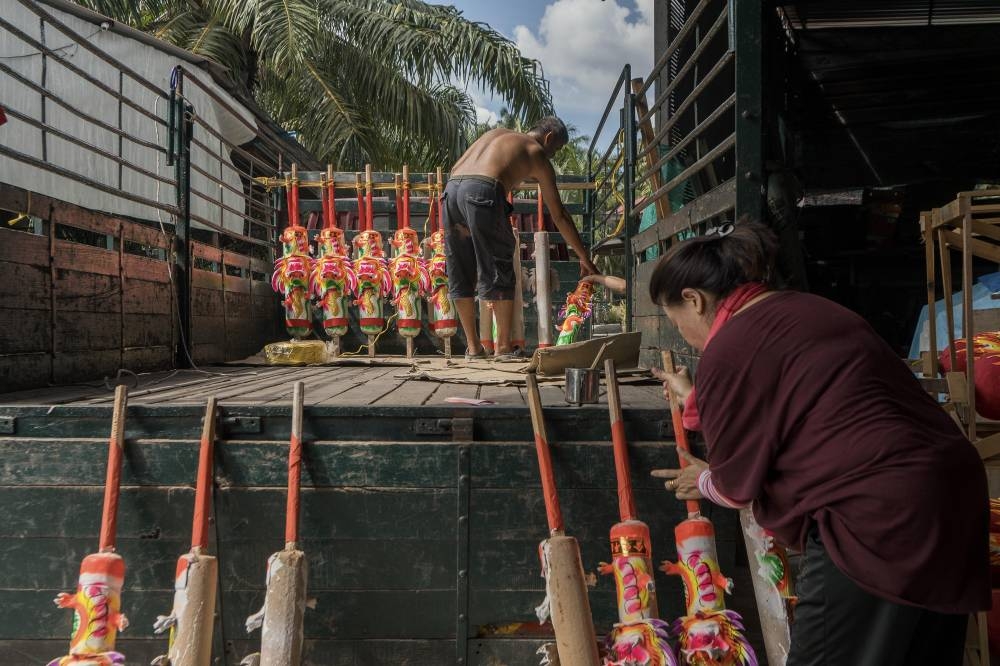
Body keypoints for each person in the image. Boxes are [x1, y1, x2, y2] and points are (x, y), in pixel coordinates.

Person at [647, 220, 989, 665]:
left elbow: (735, 487)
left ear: (694, 299)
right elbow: (788, 399)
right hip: (952, 493)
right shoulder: (809, 309)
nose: (683, 336)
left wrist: (705, 480)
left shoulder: (729, 346)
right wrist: (696, 395)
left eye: (677, 322)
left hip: (878, 513)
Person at [444, 117, 599, 360]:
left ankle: (474, 349)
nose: (554, 156)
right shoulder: (535, 151)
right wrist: (583, 256)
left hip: (451, 189)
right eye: (556, 149)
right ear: (548, 138)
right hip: (483, 189)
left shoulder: (497, 135)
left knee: (460, 268)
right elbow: (559, 214)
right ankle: (503, 348)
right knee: (500, 263)